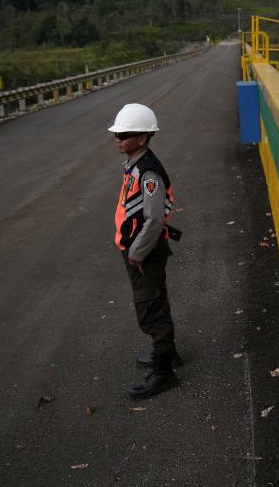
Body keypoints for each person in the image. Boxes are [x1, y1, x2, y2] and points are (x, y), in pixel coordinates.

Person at [110, 103, 181, 400]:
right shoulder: (136, 164)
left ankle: (164, 373)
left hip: (145, 252)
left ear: (143, 137)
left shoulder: (148, 173)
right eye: (117, 134)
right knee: (155, 302)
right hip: (140, 248)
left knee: (151, 309)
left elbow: (153, 220)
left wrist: (136, 253)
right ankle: (168, 354)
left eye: (125, 134)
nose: (118, 139)